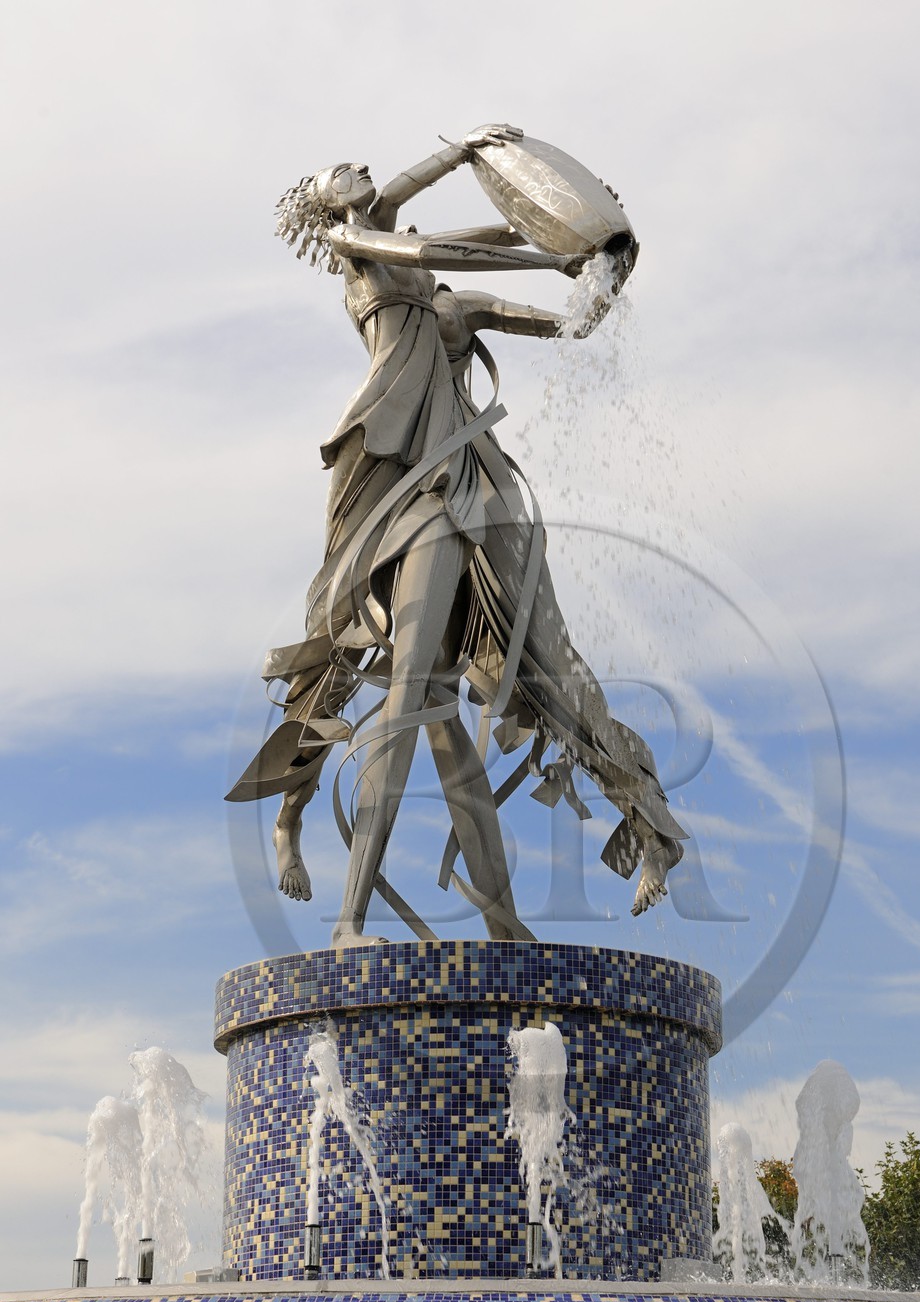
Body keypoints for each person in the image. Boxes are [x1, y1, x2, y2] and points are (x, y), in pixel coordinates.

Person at [227, 126, 685, 946]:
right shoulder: (358, 245)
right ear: (325, 204)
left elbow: (544, 298)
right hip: (397, 471)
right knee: (353, 665)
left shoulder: (443, 294)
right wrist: (545, 253)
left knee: (547, 669)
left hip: (474, 484)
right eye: (343, 171)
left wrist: (586, 245)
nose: (361, 168)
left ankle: (645, 829)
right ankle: (322, 873)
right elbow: (446, 243)